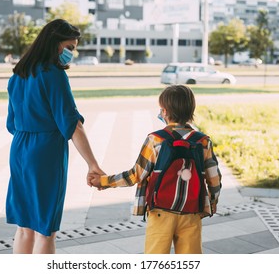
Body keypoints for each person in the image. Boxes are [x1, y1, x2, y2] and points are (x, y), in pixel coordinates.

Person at [5, 19, 104, 254]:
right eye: (69, 47)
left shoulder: (18, 75)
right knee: (45, 229)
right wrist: (93, 164)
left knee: (24, 227)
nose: (72, 53)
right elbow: (72, 125)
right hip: (45, 152)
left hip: (19, 150)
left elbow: (11, 123)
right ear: (54, 43)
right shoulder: (54, 75)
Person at [89, 85, 221, 254]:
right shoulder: (203, 141)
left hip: (160, 212)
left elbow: (135, 175)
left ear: (164, 112)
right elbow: (214, 179)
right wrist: (213, 201)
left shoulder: (156, 139)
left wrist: (104, 181)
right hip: (191, 212)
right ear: (190, 111)